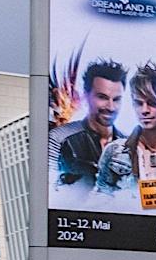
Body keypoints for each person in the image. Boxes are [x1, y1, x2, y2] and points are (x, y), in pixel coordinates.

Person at [97, 63, 156, 199]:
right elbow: (100, 198)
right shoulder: (114, 151)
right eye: (138, 103)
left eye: (152, 103)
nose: (144, 110)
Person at [51, 58, 127, 189]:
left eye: (116, 99)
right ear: (86, 95)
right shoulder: (59, 138)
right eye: (102, 97)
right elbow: (47, 188)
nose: (111, 107)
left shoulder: (131, 145)